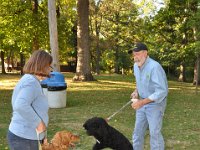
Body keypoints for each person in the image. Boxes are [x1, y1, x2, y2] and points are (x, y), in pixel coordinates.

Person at [7, 50, 53, 150]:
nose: (50, 69)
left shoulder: (31, 80)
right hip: (23, 139)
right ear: (42, 65)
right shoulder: (31, 82)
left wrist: (42, 136)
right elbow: (20, 105)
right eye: (49, 66)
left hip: (27, 137)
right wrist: (39, 123)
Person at [128, 42, 168, 150]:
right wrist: (136, 91)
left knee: (154, 134)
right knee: (137, 133)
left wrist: (141, 102)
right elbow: (139, 82)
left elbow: (162, 91)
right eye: (134, 54)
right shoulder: (136, 66)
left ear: (145, 53)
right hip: (142, 103)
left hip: (156, 104)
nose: (135, 57)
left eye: (138, 54)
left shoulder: (155, 67)